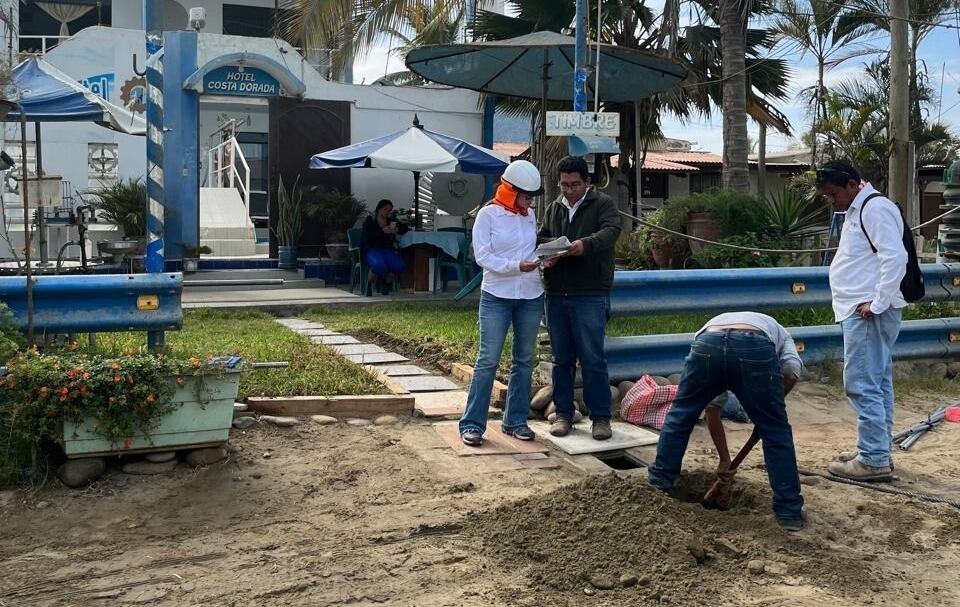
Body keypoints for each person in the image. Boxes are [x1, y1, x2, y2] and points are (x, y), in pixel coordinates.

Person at [647, 312, 806, 531]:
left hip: (707, 342)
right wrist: (770, 413)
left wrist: (726, 456)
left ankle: (656, 486)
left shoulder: (715, 327)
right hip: (754, 346)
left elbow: (712, 410)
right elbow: (791, 371)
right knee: (776, 432)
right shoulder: (782, 334)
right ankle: (789, 514)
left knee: (680, 417)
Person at [816, 159, 906, 482]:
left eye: (833, 193)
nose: (830, 200)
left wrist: (877, 304)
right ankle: (876, 449)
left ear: (852, 185)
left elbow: (895, 257)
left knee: (860, 382)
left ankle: (873, 458)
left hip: (867, 312)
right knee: (878, 381)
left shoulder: (874, 209)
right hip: (864, 309)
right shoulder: (857, 209)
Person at [459, 160, 545, 445]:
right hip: (497, 295)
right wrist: (515, 266)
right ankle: (472, 424)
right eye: (526, 195)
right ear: (510, 189)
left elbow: (532, 250)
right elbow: (482, 257)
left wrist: (544, 259)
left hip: (530, 295)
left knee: (523, 360)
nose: (531, 201)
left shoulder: (529, 216)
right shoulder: (488, 215)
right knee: (488, 360)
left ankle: (515, 420)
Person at [538, 156, 621, 440]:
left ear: (587, 182)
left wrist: (583, 245)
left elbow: (611, 232)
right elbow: (543, 237)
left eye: (574, 184)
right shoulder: (553, 208)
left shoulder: (603, 204)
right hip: (556, 292)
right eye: (564, 185)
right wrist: (547, 255)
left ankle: (601, 418)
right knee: (562, 358)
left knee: (592, 358)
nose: (569, 190)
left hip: (589, 293)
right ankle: (563, 414)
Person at [360, 199, 408, 296]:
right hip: (372, 249)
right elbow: (367, 236)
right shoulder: (370, 220)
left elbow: (405, 228)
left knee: (399, 265)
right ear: (379, 209)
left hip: (387, 250)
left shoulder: (390, 221)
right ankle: (368, 285)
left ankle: (386, 284)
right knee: (379, 265)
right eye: (385, 209)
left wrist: (396, 230)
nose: (387, 212)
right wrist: (382, 232)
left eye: (389, 210)